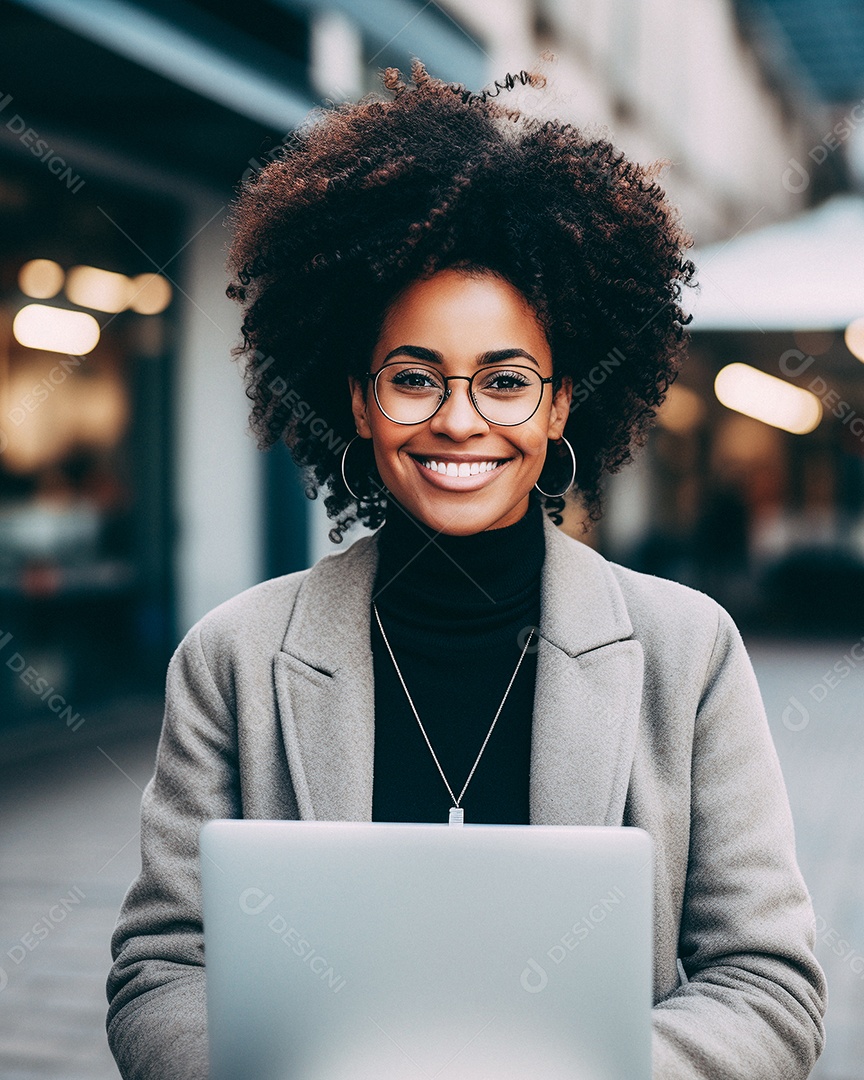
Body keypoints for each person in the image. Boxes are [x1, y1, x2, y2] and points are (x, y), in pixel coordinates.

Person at [106, 58, 826, 1079]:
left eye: (505, 381)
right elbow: (160, 969)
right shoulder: (233, 659)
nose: (458, 420)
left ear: (561, 403)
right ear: (358, 402)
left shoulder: (689, 652)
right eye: (414, 378)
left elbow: (768, 986)